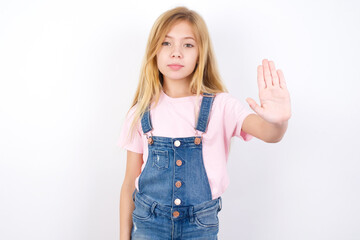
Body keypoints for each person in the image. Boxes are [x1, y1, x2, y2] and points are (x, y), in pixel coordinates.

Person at [118, 6, 291, 240]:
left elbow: (269, 133)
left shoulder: (222, 106)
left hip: (199, 228)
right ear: (154, 52)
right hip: (149, 226)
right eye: (166, 43)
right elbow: (129, 182)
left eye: (188, 44)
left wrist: (278, 122)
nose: (176, 52)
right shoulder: (140, 112)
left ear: (201, 53)